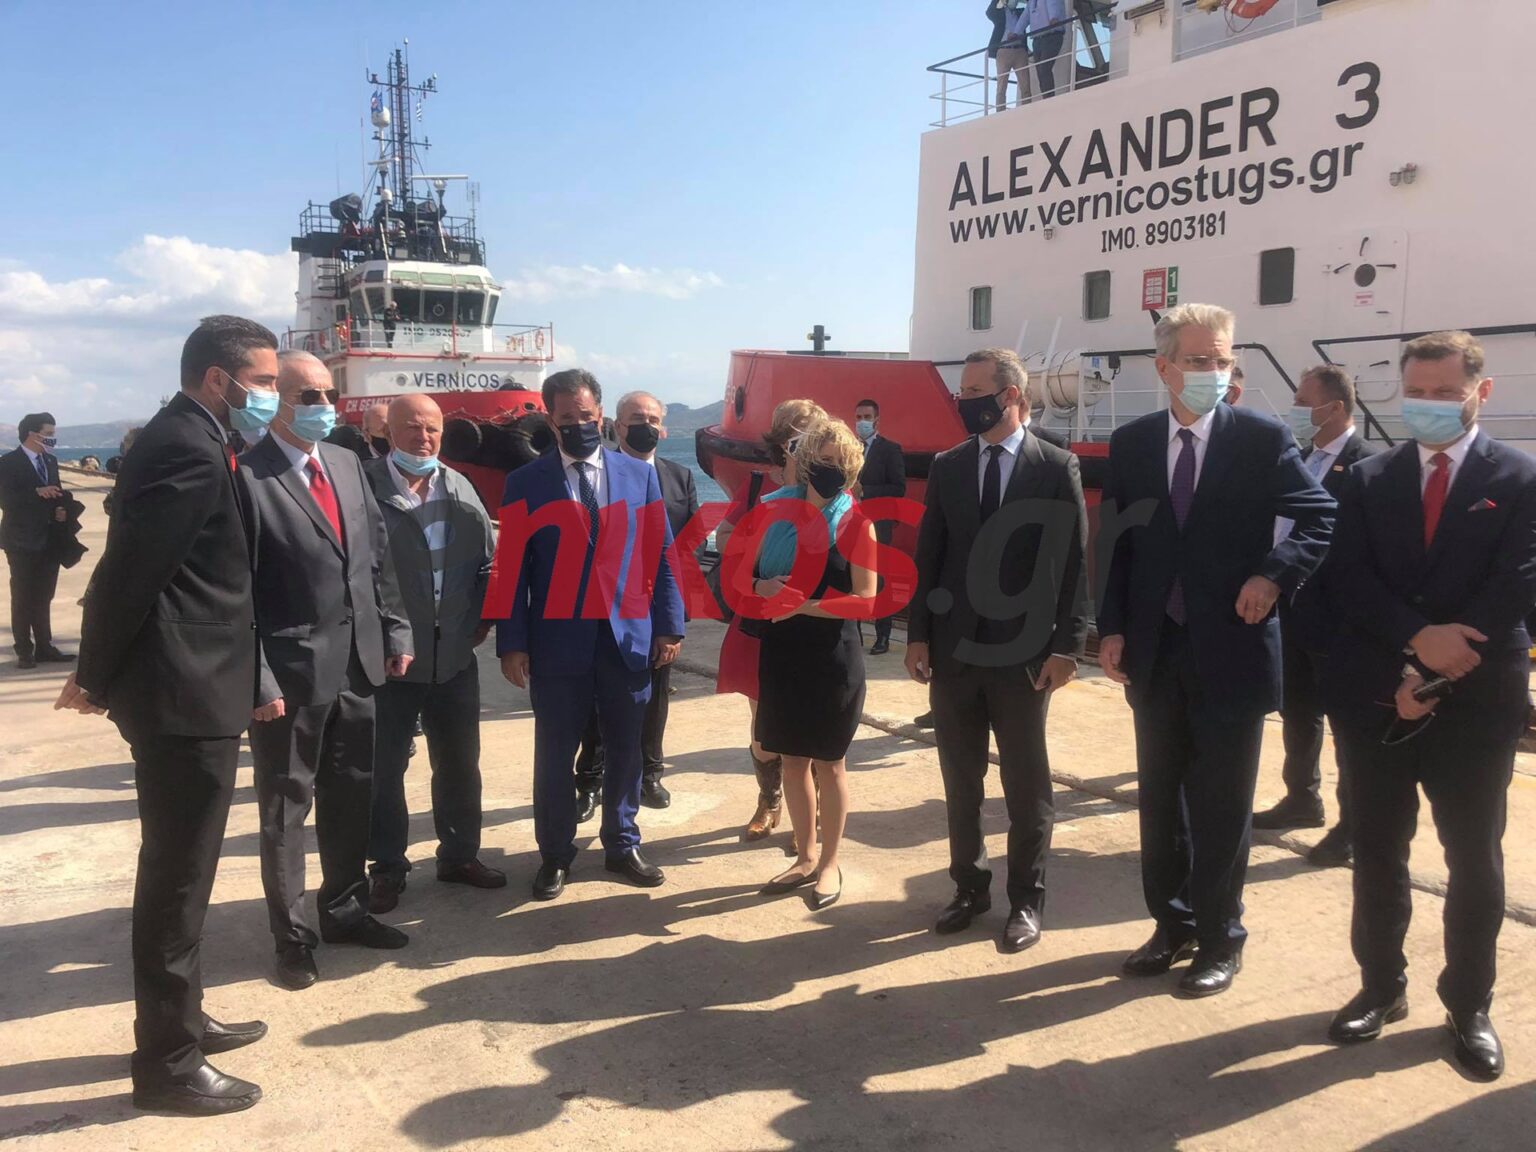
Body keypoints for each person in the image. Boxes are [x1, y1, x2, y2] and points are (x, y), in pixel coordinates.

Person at [57, 315, 280, 1116]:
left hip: (198, 684)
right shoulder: (187, 445)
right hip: (181, 693)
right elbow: (132, 570)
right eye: (264, 381)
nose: (273, 395)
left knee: (189, 874)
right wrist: (93, 675)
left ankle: (185, 1020)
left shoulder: (195, 435)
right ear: (219, 379)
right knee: (177, 881)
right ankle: (168, 1065)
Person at [1097, 303, 1334, 998]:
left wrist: (1273, 574)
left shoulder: (1259, 438)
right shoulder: (1133, 443)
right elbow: (1118, 545)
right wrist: (1111, 628)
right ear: (1164, 367)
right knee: (1160, 802)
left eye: (1223, 359)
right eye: (1199, 360)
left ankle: (1221, 938)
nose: (1214, 371)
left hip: (1233, 649)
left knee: (1223, 807)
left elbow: (1319, 515)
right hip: (1156, 650)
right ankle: (1170, 926)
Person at [1323, 331, 1536, 1081]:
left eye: (1447, 393)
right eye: (1418, 393)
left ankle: (1468, 1005)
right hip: (1380, 693)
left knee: (1474, 858)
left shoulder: (1521, 477)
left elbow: (1519, 579)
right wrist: (1414, 646)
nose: (1430, 405)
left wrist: (1438, 667)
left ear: (1482, 392)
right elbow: (1347, 578)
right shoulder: (1367, 478)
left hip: (1477, 698)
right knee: (1378, 850)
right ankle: (1381, 987)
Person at [238, 350, 414, 991]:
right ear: (275, 402)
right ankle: (292, 939)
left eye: (327, 395)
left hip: (359, 667)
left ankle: (344, 911)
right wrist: (257, 678)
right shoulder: (246, 477)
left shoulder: (345, 464)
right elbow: (237, 592)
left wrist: (394, 629)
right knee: (286, 811)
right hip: (289, 679)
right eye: (307, 396)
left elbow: (374, 560)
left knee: (351, 797)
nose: (323, 406)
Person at [907, 348, 1088, 952]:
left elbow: (1074, 564)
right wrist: (918, 635)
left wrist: (1068, 647)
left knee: (1026, 784)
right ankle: (969, 887)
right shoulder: (949, 466)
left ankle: (1027, 900)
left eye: (973, 391)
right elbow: (930, 554)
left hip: (1024, 656)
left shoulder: (1055, 466)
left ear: (1009, 395)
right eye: (962, 391)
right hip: (954, 652)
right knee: (960, 779)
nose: (963, 401)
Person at [496, 369, 685, 901]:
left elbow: (661, 554)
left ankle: (622, 843)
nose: (578, 425)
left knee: (626, 746)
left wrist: (669, 624)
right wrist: (512, 643)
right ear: (550, 420)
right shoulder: (526, 483)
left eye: (586, 415)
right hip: (557, 641)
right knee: (555, 753)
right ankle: (555, 853)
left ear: (600, 415)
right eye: (566, 418)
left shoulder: (637, 475)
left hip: (627, 638)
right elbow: (512, 570)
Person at [365, 394, 503, 914]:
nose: (423, 438)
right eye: (412, 428)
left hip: (454, 658)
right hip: (389, 661)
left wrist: (481, 620)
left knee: (460, 763)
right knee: (384, 770)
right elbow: (356, 574)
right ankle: (387, 867)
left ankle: (459, 856)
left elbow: (486, 563)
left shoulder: (460, 485)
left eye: (432, 429)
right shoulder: (363, 487)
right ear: (387, 432)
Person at [1252, 365, 1381, 866]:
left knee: (1347, 724)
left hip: (1340, 618)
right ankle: (1302, 798)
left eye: (1304, 402)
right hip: (1291, 608)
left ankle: (1354, 825)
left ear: (1336, 408)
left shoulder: (1368, 465)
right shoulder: (1302, 458)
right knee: (1298, 709)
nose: (1296, 410)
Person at [754, 418, 879, 910]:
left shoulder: (856, 525)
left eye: (841, 463)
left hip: (832, 659)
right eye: (823, 460)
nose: (832, 470)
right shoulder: (772, 515)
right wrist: (760, 586)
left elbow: (866, 600)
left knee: (830, 763)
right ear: (805, 462)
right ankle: (804, 857)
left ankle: (829, 863)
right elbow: (741, 574)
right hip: (782, 653)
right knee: (791, 760)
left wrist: (801, 605)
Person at [574, 391, 700, 812]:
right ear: (616, 425)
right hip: (609, 606)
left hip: (658, 606)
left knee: (655, 696)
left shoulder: (680, 477)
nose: (645, 426)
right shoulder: (600, 474)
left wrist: (673, 612)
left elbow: (690, 543)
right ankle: (590, 778)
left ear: (662, 427)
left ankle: (650, 773)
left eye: (652, 419)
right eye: (636, 418)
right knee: (597, 697)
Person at [719, 399, 825, 842]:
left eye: (812, 434)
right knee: (764, 722)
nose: (803, 443)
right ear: (780, 440)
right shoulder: (756, 487)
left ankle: (811, 814)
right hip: (761, 619)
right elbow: (725, 537)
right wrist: (761, 570)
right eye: (795, 434)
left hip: (814, 622)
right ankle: (769, 800)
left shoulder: (831, 484)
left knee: (812, 722)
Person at [1, 412, 72, 669]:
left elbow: (58, 492)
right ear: (32, 434)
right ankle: (24, 649)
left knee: (44, 595)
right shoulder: (8, 463)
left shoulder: (50, 461)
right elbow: (6, 500)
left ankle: (44, 645)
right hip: (21, 540)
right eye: (48, 434)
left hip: (49, 539)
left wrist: (62, 509)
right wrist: (36, 492)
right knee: (23, 595)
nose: (52, 438)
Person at [854, 398, 905, 656]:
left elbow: (898, 487)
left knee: (881, 579)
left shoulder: (890, 450)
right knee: (851, 575)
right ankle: (854, 634)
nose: (861, 422)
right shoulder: (848, 448)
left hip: (878, 523)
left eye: (866, 417)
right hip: (851, 522)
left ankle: (882, 635)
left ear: (876, 420)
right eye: (858, 417)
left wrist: (865, 491)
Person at [1029, 0, 1071, 98]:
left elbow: (1054, 4)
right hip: (1037, 39)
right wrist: (1016, 32)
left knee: (1044, 68)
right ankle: (1046, 97)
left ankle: (1049, 98)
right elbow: (1025, 17)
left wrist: (1054, 17)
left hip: (1052, 35)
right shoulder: (1031, 2)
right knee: (1040, 72)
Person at [996, 2, 1033, 111]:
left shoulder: (1020, 12)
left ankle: (1027, 110)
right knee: (1001, 85)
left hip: (1020, 50)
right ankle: (1000, 112)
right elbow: (989, 11)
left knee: (1025, 84)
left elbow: (1031, 9)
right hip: (1004, 50)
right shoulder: (999, 13)